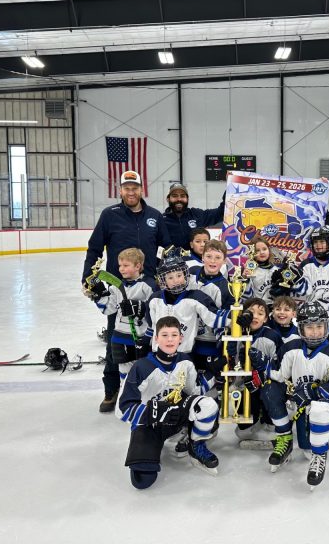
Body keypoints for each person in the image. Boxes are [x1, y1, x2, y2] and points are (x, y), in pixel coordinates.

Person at [82, 170, 170, 413]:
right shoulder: (110, 216)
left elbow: (168, 246)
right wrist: (88, 279)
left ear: (142, 189)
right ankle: (111, 390)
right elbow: (94, 248)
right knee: (115, 342)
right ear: (120, 190)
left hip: (149, 289)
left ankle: (149, 388)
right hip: (119, 289)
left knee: (150, 339)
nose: (131, 192)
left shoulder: (154, 216)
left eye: (135, 188)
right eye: (126, 188)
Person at [249, 302, 329, 487]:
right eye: (309, 327)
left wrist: (314, 391)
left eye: (319, 326)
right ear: (300, 327)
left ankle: (322, 450)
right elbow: (280, 375)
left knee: (311, 448)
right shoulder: (291, 348)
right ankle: (285, 437)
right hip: (302, 402)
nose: (315, 332)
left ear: (326, 326)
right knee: (270, 388)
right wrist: (265, 367)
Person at [119, 316, 220, 488]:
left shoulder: (186, 361)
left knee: (208, 405)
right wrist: (153, 412)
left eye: (174, 335)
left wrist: (211, 377)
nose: (170, 339)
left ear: (181, 338)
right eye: (164, 335)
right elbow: (123, 408)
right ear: (156, 338)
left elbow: (192, 392)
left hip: (176, 416)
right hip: (149, 425)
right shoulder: (141, 367)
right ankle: (158, 444)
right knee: (142, 481)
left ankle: (195, 444)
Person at [87, 248, 156, 397]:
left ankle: (144, 400)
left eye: (126, 265)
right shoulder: (116, 287)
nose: (121, 269)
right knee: (124, 371)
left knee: (144, 370)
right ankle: (127, 399)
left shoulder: (148, 286)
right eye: (120, 265)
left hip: (141, 338)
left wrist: (140, 309)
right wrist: (99, 295)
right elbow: (108, 309)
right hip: (120, 338)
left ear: (138, 266)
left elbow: (156, 311)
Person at [273, 225, 329, 347]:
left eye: (322, 241)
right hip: (309, 323)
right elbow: (304, 293)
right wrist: (292, 283)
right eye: (315, 242)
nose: (318, 245)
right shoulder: (306, 265)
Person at [186, 239, 235, 395]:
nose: (212, 261)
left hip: (209, 341)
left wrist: (226, 348)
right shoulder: (190, 277)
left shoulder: (227, 287)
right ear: (202, 258)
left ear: (224, 261)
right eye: (209, 256)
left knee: (208, 381)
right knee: (187, 377)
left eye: (217, 257)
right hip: (187, 338)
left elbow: (228, 319)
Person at [233, 298, 282, 441]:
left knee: (273, 425)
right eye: (251, 312)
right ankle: (255, 415)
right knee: (243, 432)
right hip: (245, 387)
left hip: (267, 385)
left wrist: (263, 371)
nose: (255, 316)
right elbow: (228, 358)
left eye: (260, 313)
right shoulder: (235, 333)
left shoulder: (272, 336)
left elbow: (279, 365)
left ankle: (268, 416)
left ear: (266, 319)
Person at [163, 182, 226, 250]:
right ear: (168, 199)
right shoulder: (161, 220)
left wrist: (230, 185)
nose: (179, 199)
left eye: (182, 196)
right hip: (172, 260)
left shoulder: (197, 215)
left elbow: (220, 212)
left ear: (187, 199)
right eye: (175, 196)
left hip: (195, 260)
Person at [242, 237, 278, 305]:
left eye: (264, 249)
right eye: (257, 250)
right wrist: (245, 280)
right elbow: (246, 297)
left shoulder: (276, 270)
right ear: (252, 253)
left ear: (269, 250)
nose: (262, 252)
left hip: (273, 309)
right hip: (256, 309)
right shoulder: (249, 271)